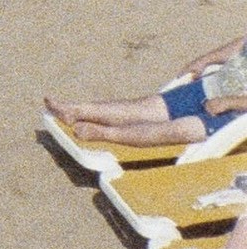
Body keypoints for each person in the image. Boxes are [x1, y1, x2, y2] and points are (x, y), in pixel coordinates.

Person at [45, 32, 247, 156]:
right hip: (211, 87)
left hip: (234, 117)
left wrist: (229, 102)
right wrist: (207, 59)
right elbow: (241, 45)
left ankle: (106, 134)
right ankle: (77, 110)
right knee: (146, 108)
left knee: (180, 130)